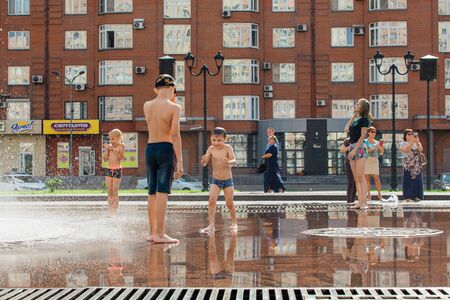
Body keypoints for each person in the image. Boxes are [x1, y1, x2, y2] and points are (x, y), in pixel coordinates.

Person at [144, 74, 183, 244]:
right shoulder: (174, 108)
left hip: (150, 148)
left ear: (156, 89)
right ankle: (160, 234)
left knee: (152, 193)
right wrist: (180, 160)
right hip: (165, 149)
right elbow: (174, 134)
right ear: (172, 88)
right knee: (162, 192)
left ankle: (152, 232)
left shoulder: (147, 105)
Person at [200, 127, 238, 232]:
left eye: (219, 140)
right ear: (211, 139)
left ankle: (234, 223)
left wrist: (228, 162)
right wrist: (203, 160)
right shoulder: (211, 149)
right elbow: (205, 164)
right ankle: (211, 225)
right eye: (214, 140)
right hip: (216, 180)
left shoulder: (228, 148)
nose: (216, 143)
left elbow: (234, 161)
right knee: (211, 202)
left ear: (224, 139)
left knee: (229, 203)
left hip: (228, 181)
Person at [344, 98, 373, 209]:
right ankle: (360, 201)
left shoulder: (364, 119)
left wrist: (354, 150)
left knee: (361, 177)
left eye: (358, 104)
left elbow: (362, 136)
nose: (356, 105)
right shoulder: (356, 119)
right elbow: (345, 129)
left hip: (359, 147)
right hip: (352, 146)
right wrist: (352, 118)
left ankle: (364, 202)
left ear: (363, 107)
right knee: (356, 177)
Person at [103, 129, 125, 216]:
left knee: (115, 191)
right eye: (110, 139)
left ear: (119, 138)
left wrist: (113, 149)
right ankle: (110, 209)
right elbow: (105, 159)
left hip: (117, 170)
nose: (111, 141)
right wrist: (106, 150)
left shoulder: (121, 146)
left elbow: (120, 157)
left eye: (113, 139)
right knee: (109, 191)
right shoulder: (109, 146)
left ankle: (114, 210)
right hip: (109, 169)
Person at [400, 129, 424, 202]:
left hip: (416, 164)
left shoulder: (416, 142)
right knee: (408, 180)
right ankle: (408, 196)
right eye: (408, 134)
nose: (410, 135)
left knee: (417, 180)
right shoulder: (403, 143)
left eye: (411, 134)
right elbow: (406, 150)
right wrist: (411, 142)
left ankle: (417, 196)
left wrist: (417, 142)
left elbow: (420, 149)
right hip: (408, 164)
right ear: (405, 136)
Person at [364, 126, 384, 201]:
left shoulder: (377, 142)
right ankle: (368, 195)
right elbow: (367, 151)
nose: (374, 133)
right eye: (372, 132)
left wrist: (381, 148)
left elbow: (381, 153)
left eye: (375, 132)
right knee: (367, 178)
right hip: (367, 160)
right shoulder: (365, 141)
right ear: (368, 133)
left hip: (374, 160)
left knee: (376, 177)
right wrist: (376, 147)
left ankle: (379, 194)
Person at [340, 137, 357, 203]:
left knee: (356, 182)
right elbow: (342, 150)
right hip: (348, 163)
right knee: (350, 182)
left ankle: (352, 200)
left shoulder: (360, 141)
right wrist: (349, 147)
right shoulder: (347, 140)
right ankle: (349, 200)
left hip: (357, 163)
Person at [264, 127, 275, 192]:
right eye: (268, 132)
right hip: (268, 161)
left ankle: (270, 190)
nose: (268, 133)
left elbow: (273, 152)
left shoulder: (273, 140)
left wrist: (264, 156)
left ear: (273, 132)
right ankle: (269, 190)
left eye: (270, 131)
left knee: (270, 175)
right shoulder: (269, 141)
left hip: (271, 161)